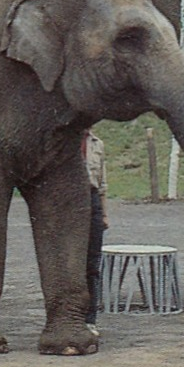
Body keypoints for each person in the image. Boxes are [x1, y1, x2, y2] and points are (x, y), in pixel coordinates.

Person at [83, 128, 107, 333]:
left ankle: (90, 319)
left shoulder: (98, 144)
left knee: (92, 264)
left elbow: (102, 183)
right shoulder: (67, 141)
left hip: (92, 199)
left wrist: (104, 214)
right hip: (70, 199)